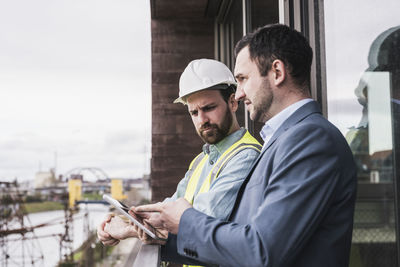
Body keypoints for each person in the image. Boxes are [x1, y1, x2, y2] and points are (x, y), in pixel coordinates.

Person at [134, 24, 358, 267]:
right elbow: (242, 241)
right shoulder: (284, 140)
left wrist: (186, 220)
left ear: (277, 72)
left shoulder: (311, 140)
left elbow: (262, 251)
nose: (239, 94)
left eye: (243, 79)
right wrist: (164, 241)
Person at [97, 59, 261, 254]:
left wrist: (128, 231)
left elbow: (199, 225)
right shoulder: (202, 160)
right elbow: (168, 211)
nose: (202, 120)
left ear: (233, 102)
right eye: (194, 112)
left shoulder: (245, 156)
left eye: (209, 108)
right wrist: (129, 220)